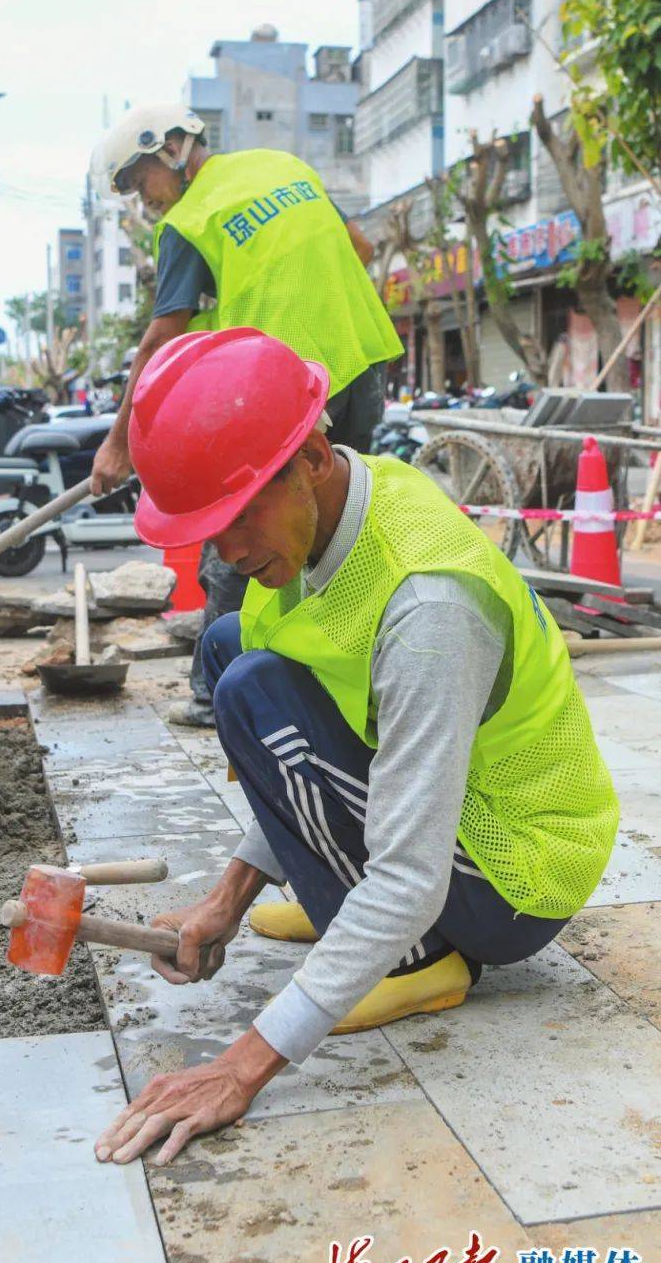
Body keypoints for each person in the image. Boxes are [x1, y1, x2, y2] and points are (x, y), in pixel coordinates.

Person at [94, 328, 618, 1169]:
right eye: (207, 529)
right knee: (233, 648)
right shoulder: (325, 524)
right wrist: (222, 904)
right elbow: (314, 713)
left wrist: (241, 1064)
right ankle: (339, 888)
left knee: (247, 688)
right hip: (443, 817)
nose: (223, 552)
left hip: (514, 874)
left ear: (309, 455)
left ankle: (420, 958)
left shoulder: (429, 606)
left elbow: (410, 875)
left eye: (236, 517)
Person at [88, 104, 403, 727]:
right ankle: (352, 675)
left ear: (172, 148)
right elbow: (360, 247)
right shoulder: (284, 165)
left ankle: (213, 696)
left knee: (240, 525)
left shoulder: (191, 219)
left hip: (282, 391)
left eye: (138, 181)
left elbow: (158, 338)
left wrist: (118, 443)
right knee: (344, 521)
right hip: (361, 358)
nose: (141, 201)